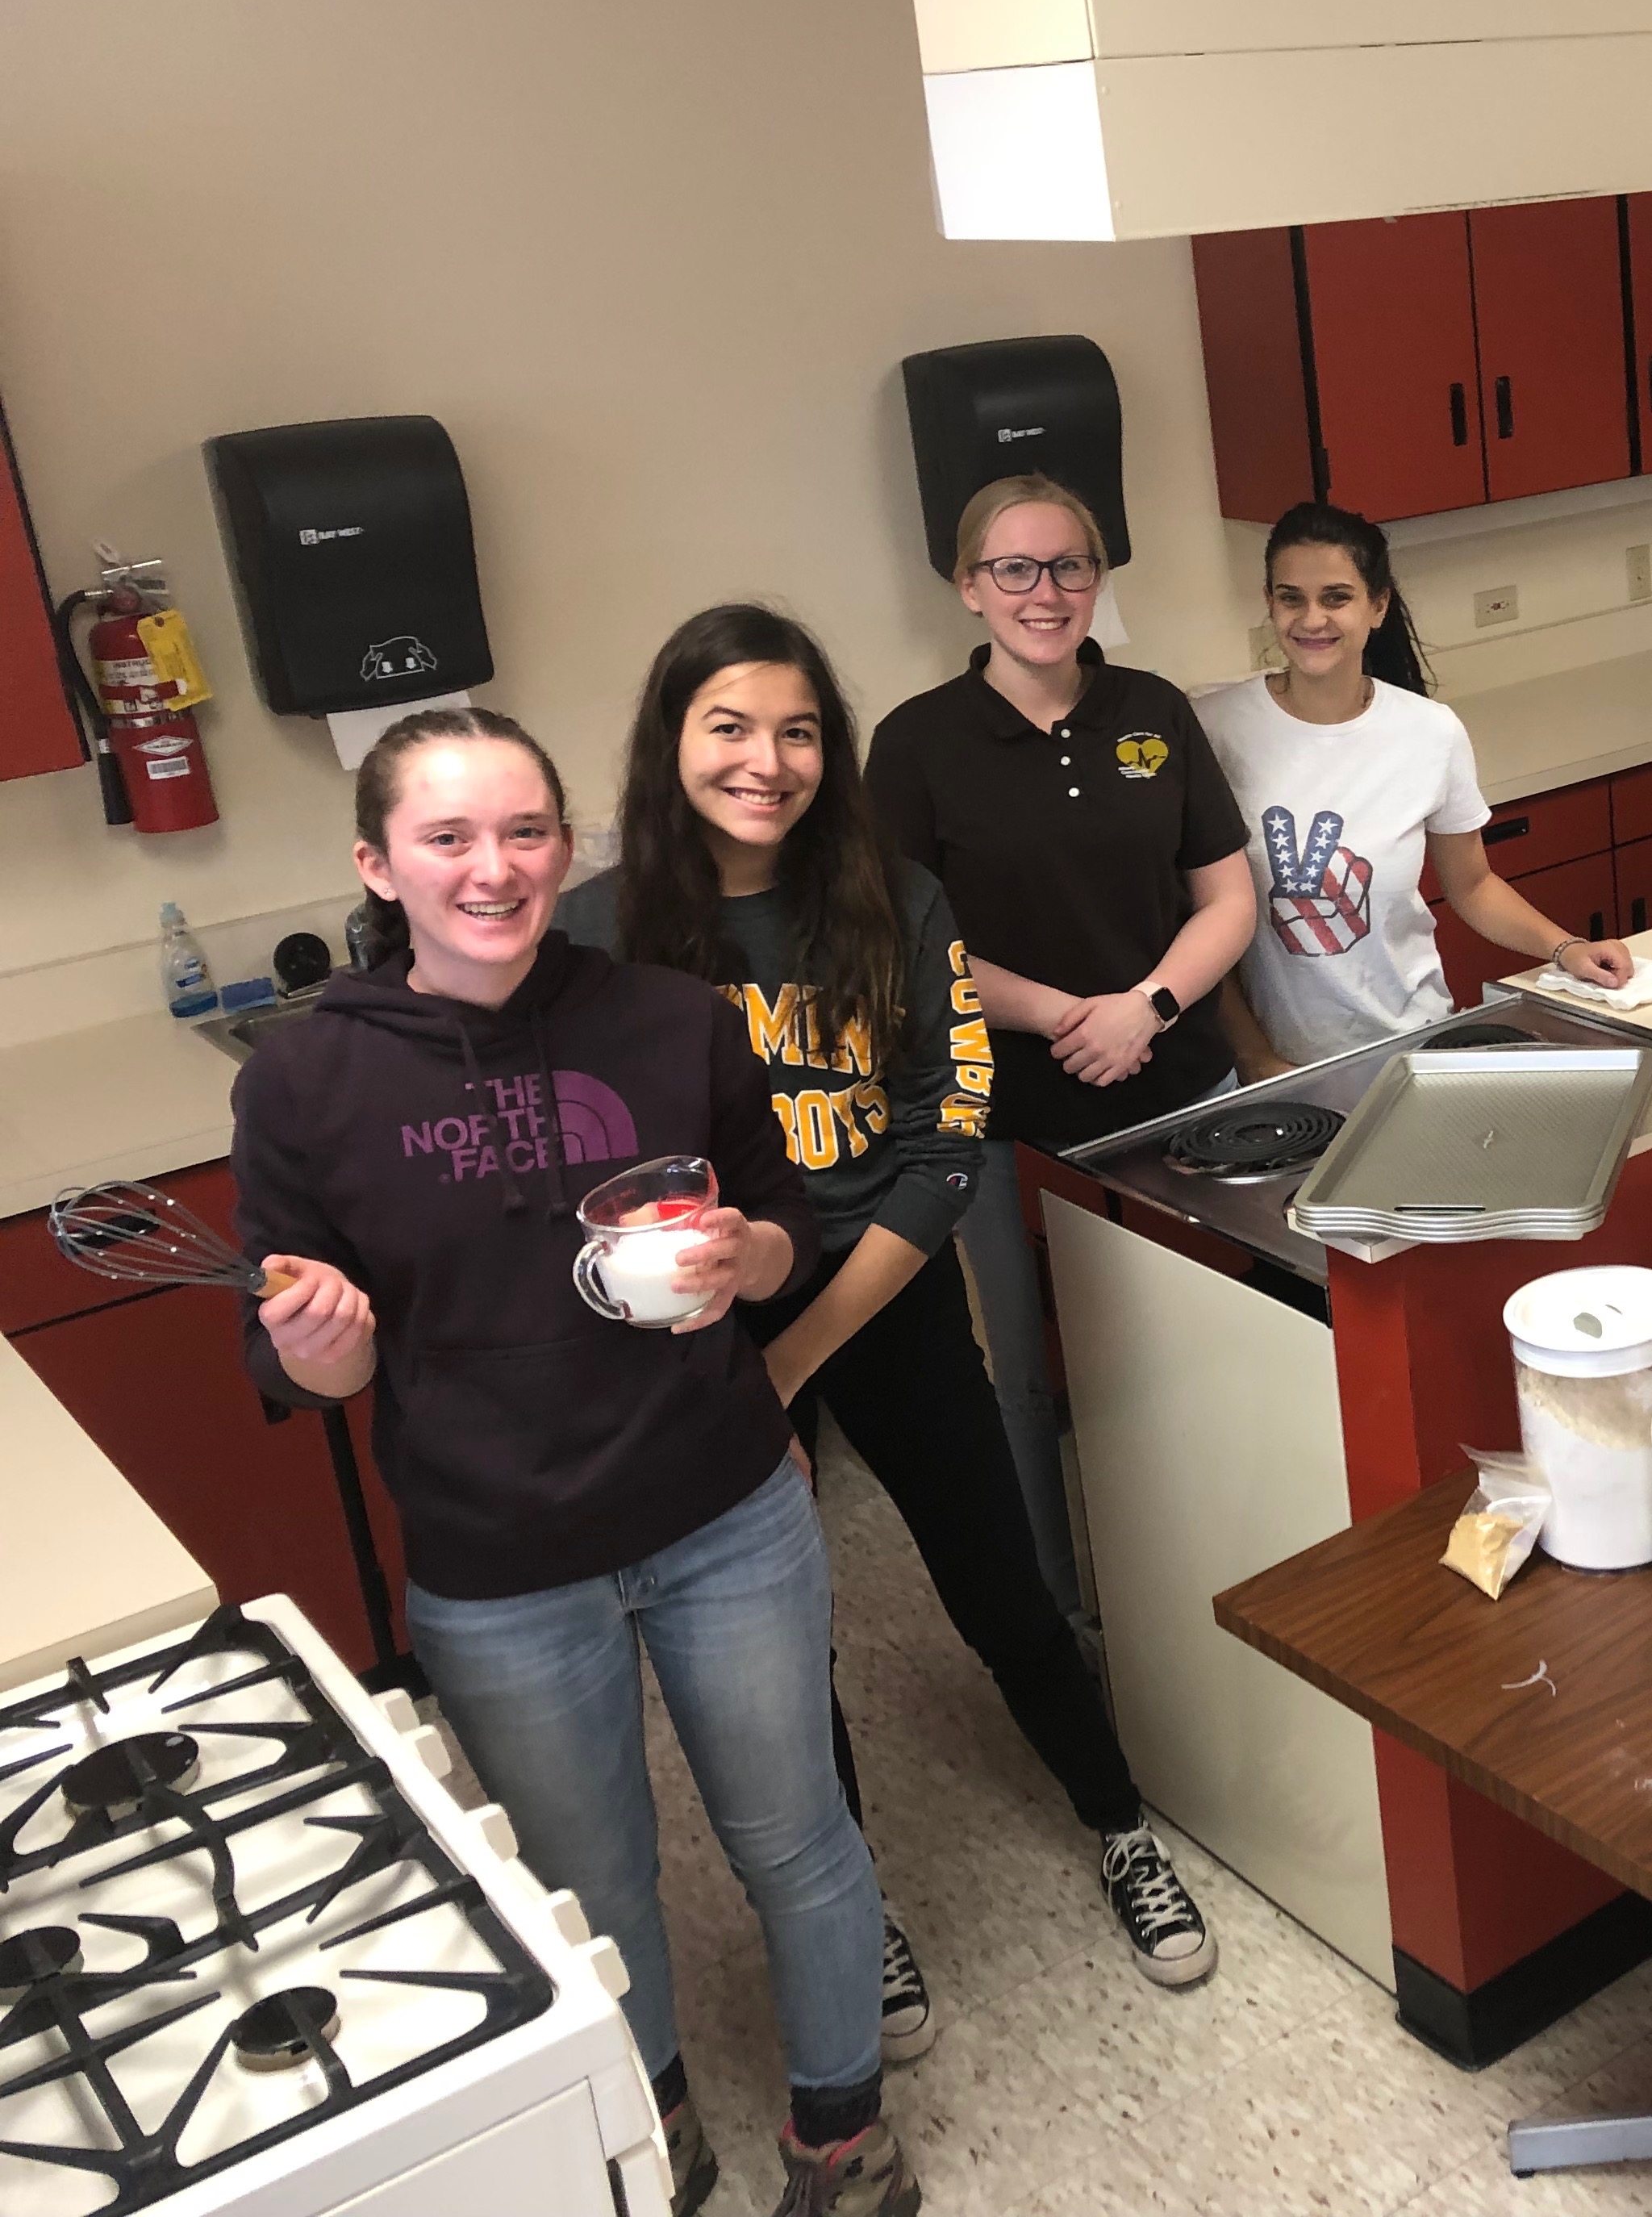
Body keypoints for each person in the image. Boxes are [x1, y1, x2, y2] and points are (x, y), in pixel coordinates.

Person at [232, 707, 911, 2217]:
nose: (495, 868)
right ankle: (646, 2124)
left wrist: (755, 1250)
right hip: (499, 1563)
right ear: (377, 862)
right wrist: (328, 1339)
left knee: (797, 1833)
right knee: (588, 1885)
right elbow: (294, 1359)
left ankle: (843, 2133)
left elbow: (792, 1215)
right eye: (449, 836)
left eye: (527, 830)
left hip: (722, 1505)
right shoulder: (305, 1085)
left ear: (569, 844)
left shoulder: (672, 1020)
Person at [562, 604, 1216, 2017]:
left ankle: (1119, 1822)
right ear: (670, 741)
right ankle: (849, 1906)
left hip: (883, 1292)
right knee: (781, 1653)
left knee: (1002, 1584)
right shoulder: (599, 935)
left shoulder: (896, 896)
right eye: (729, 725)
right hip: (702, 1340)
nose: (767, 758)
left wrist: (793, 1360)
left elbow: (946, 1132)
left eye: (797, 728)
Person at [862, 477, 1256, 1646]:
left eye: (1071, 566)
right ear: (970, 586)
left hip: (1178, 1084)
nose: (1047, 593)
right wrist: (1059, 1015)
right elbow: (902, 951)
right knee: (1027, 1377)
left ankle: (1230, 1571)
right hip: (1001, 1110)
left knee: (1209, 1341)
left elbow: (1227, 895)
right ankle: (1063, 1614)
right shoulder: (917, 745)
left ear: (1098, 575)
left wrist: (1147, 1004)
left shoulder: (1154, 710)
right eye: (1016, 570)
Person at [1195, 503, 1636, 1075]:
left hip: (1413, 1043)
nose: (1311, 619)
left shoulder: (1430, 731)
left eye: (1336, 597)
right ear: (1269, 601)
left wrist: (1565, 947)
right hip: (1278, 1065)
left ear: (1378, 606)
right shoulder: (1213, 730)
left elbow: (1473, 885)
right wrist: (1255, 1056)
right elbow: (1197, 917)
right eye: (1290, 597)